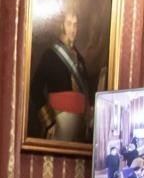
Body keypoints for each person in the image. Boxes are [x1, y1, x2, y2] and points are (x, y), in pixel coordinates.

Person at [28, 9, 96, 142]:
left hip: (81, 125)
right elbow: (35, 88)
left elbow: (87, 92)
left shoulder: (80, 59)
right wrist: (49, 122)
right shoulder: (50, 55)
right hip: (59, 123)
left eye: (75, 25)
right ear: (61, 25)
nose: (73, 29)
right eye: (69, 24)